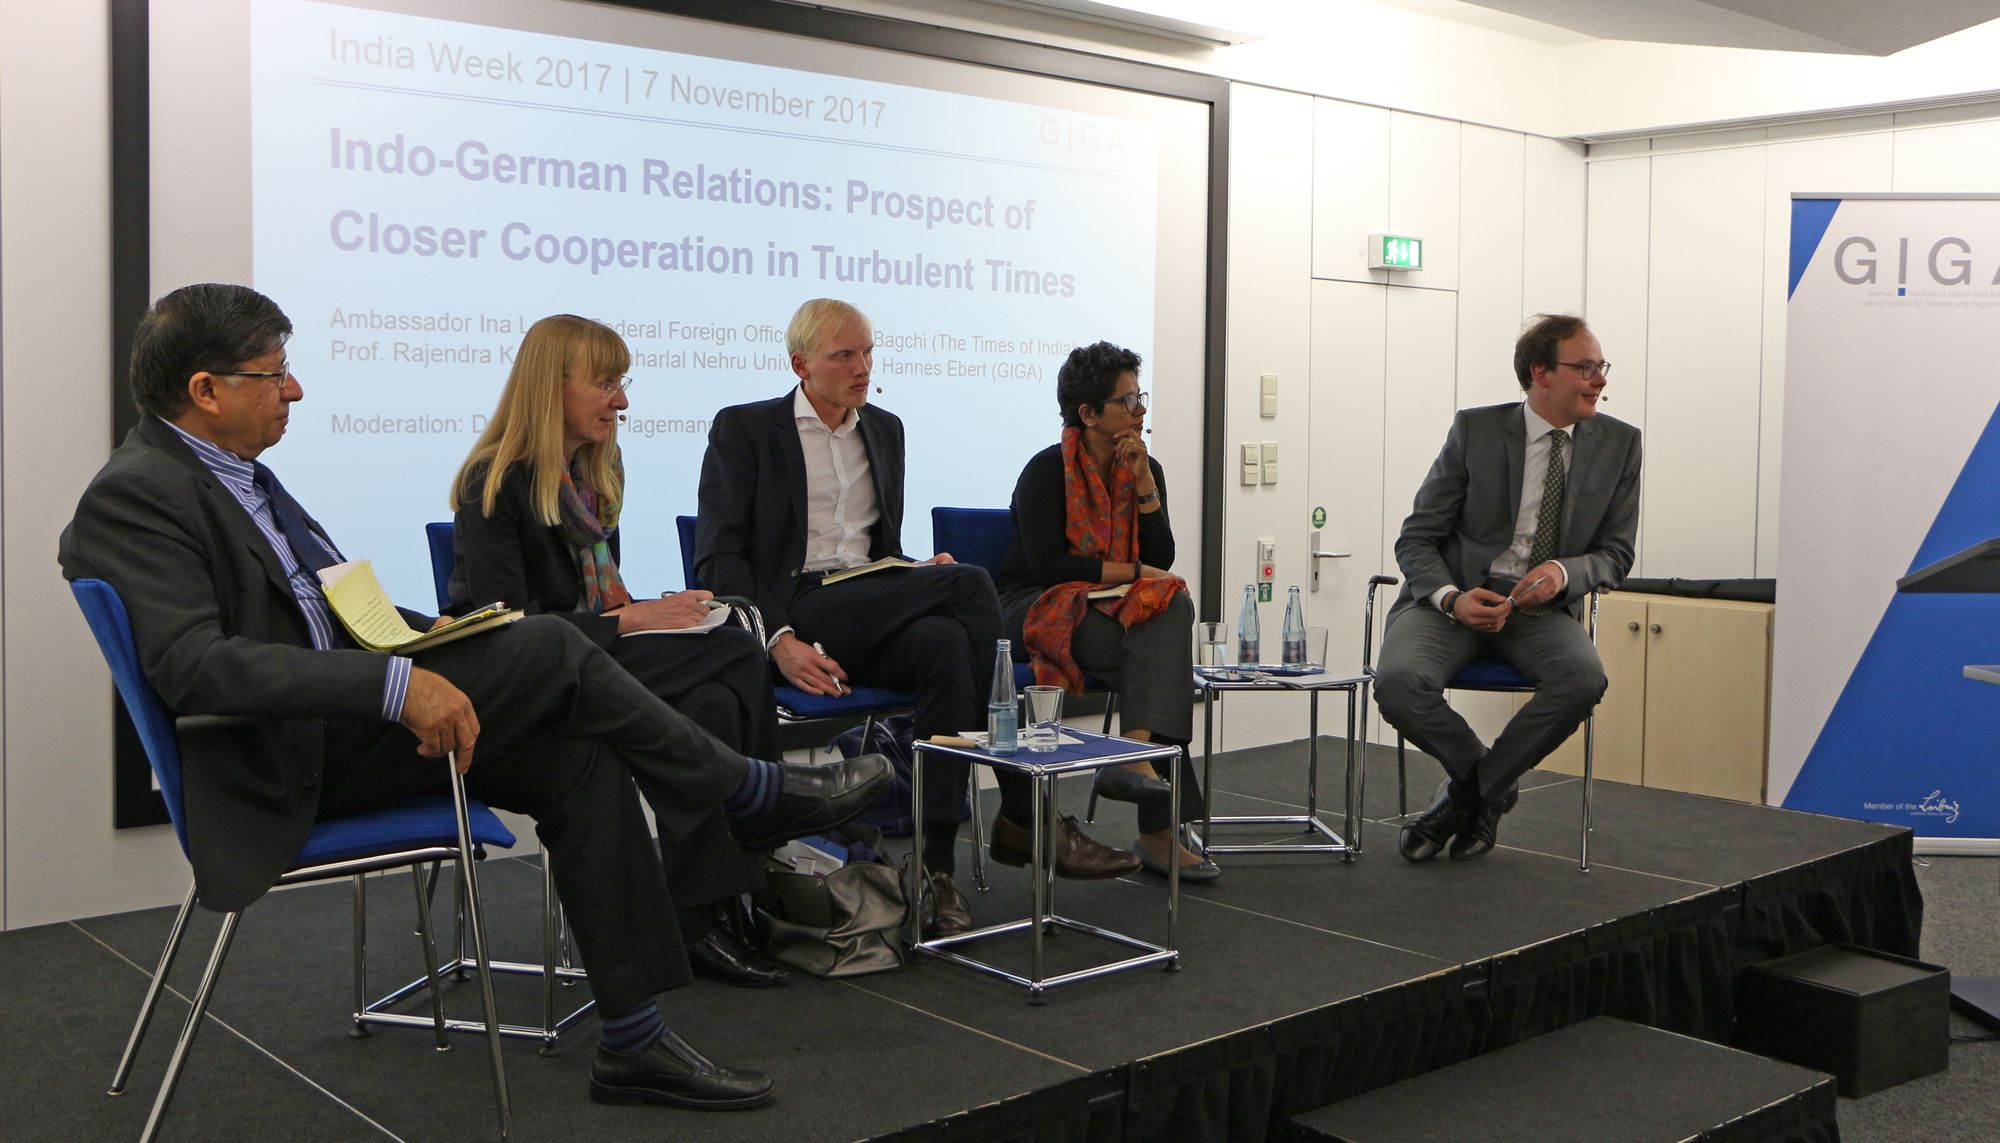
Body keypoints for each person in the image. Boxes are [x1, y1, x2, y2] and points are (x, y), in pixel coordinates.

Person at [60, 284, 890, 1111]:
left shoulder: (247, 479)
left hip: (345, 727)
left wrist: (453, 636)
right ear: (206, 390)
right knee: (557, 641)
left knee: (580, 757)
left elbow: (348, 614)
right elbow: (197, 667)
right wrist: (398, 681)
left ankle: (634, 1041)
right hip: (285, 758)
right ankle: (748, 791)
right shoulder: (138, 492)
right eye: (275, 374)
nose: (296, 390)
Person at [696, 299, 1137, 935]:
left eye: (868, 352)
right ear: (801, 364)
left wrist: (911, 573)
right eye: (843, 355)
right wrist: (779, 639)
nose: (862, 366)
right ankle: (1025, 811)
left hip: (868, 597)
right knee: (971, 586)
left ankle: (935, 869)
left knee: (944, 641)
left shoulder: (884, 428)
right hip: (799, 608)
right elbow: (719, 558)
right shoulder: (746, 429)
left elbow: (873, 553)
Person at [448, 314, 788, 988]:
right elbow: (504, 631)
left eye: (621, 383)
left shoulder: (592, 479)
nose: (622, 401)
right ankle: (756, 846)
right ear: (552, 387)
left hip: (598, 663)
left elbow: (602, 605)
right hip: (543, 684)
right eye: (606, 384)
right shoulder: (493, 483)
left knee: (718, 690)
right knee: (735, 656)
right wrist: (635, 620)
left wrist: (658, 616)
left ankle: (705, 910)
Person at [1373, 313, 1642, 863]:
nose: (1600, 380)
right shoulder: (1476, 431)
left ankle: (1468, 796)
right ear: (1541, 373)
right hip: (1453, 602)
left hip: (1539, 612)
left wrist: (1566, 573)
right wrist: (1451, 597)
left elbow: (1616, 555)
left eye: (1601, 367)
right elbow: (1417, 539)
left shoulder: (1620, 445)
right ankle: (1493, 783)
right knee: (1399, 683)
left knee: (1583, 679)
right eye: (1585, 367)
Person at [993, 341, 1216, 881]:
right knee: (1160, 642)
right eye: (1128, 401)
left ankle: (1135, 754)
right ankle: (1157, 825)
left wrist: (1144, 486)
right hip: (1036, 606)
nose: (1141, 411)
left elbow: (1161, 557)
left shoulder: (1144, 466)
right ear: (1088, 413)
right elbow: (1049, 565)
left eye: (1142, 397)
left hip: (1107, 608)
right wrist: (1135, 575)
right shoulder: (1046, 470)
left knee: (1169, 611)